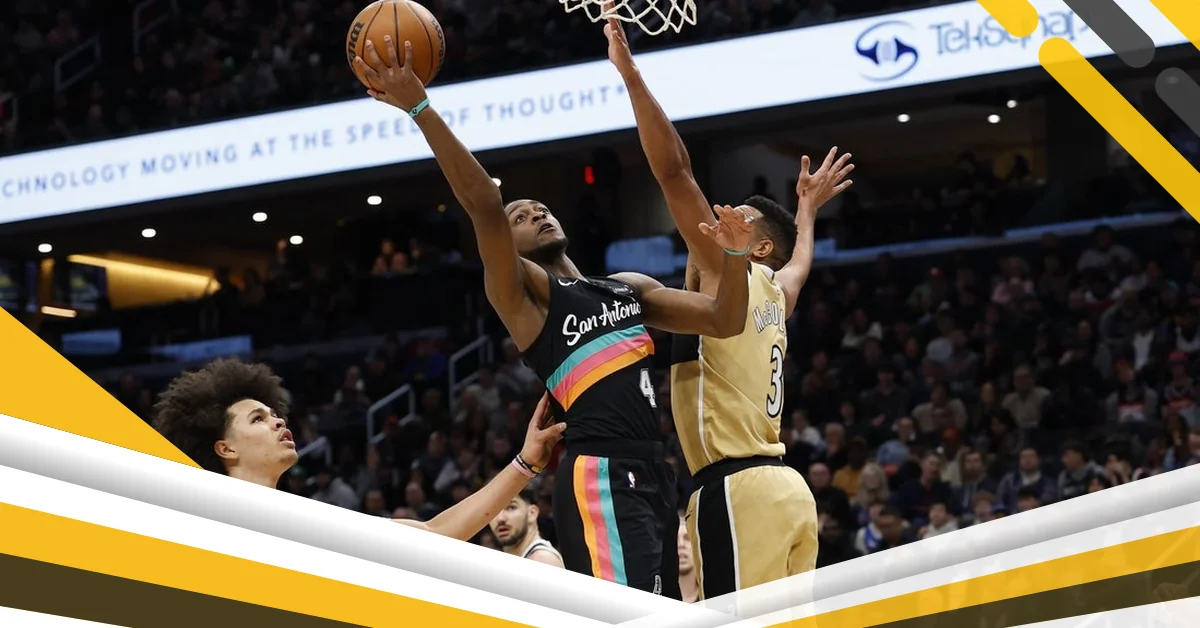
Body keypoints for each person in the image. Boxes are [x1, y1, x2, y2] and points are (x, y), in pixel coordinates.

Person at [357, 37, 758, 599]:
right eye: (521, 216)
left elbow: (723, 319)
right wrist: (420, 107)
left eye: (541, 208)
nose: (536, 213)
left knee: (670, 609)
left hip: (655, 468)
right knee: (636, 614)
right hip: (600, 473)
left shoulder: (626, 287)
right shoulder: (525, 297)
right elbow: (483, 203)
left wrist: (735, 255)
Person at [604, 17, 853, 598]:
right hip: (786, 492)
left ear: (757, 248)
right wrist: (807, 209)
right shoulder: (778, 294)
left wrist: (630, 75)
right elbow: (799, 263)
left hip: (737, 489)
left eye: (740, 218)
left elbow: (674, 172)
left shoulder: (728, 271)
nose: (723, 219)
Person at [152, 358, 565, 542]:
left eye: (275, 414)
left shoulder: (308, 521)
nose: (278, 421)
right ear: (225, 448)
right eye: (258, 419)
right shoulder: (198, 525)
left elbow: (435, 534)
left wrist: (526, 463)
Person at [488, 487, 564, 568]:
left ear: (532, 513)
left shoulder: (542, 559)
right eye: (494, 510)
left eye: (511, 508)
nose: (500, 518)